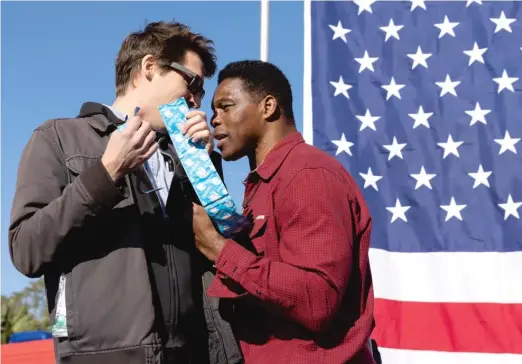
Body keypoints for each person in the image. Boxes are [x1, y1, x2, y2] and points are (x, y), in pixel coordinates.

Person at [9, 21, 242, 364]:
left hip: (193, 354)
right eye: (191, 82)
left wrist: (206, 167)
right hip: (111, 356)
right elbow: (26, 249)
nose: (196, 99)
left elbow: (222, 247)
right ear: (149, 68)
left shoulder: (186, 155)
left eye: (201, 92)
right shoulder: (58, 138)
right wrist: (107, 173)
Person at [191, 60, 376, 364]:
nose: (215, 120)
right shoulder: (264, 184)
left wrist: (217, 248)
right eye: (213, 110)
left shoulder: (308, 174)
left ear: (268, 107)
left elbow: (319, 299)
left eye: (226, 106)